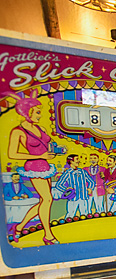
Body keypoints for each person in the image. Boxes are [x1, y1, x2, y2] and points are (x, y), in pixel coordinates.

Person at [7, 91, 59, 245]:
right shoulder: (18, 131)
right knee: (47, 199)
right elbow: (12, 154)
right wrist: (41, 156)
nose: (39, 115)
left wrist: (53, 151)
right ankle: (48, 235)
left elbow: (47, 145)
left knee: (46, 200)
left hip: (46, 166)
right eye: (37, 112)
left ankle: (19, 227)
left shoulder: (41, 128)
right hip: (34, 167)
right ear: (27, 112)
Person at [54, 154, 95, 219]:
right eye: (76, 159)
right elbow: (59, 184)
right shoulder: (68, 173)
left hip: (84, 197)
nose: (78, 161)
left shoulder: (83, 172)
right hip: (73, 198)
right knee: (70, 214)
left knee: (86, 214)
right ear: (71, 161)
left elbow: (92, 182)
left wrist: (90, 188)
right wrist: (66, 189)